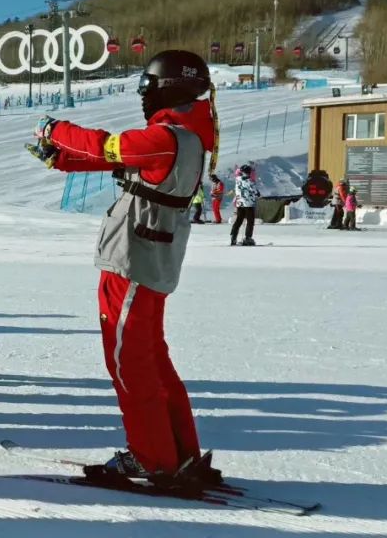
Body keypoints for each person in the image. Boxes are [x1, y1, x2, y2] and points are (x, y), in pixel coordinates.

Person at [24, 49, 222, 485]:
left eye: (146, 89)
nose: (142, 98)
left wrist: (55, 129)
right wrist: (60, 158)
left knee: (128, 364)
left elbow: (104, 145)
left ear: (165, 89)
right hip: (151, 264)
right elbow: (114, 160)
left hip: (132, 264)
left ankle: (153, 457)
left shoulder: (166, 137)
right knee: (153, 361)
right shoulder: (186, 139)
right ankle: (178, 451)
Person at [230, 164, 259, 246]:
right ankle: (248, 238)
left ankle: (233, 236)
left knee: (238, 220)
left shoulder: (237, 180)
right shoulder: (250, 181)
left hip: (240, 203)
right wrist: (258, 193)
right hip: (249, 204)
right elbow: (255, 192)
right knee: (250, 221)